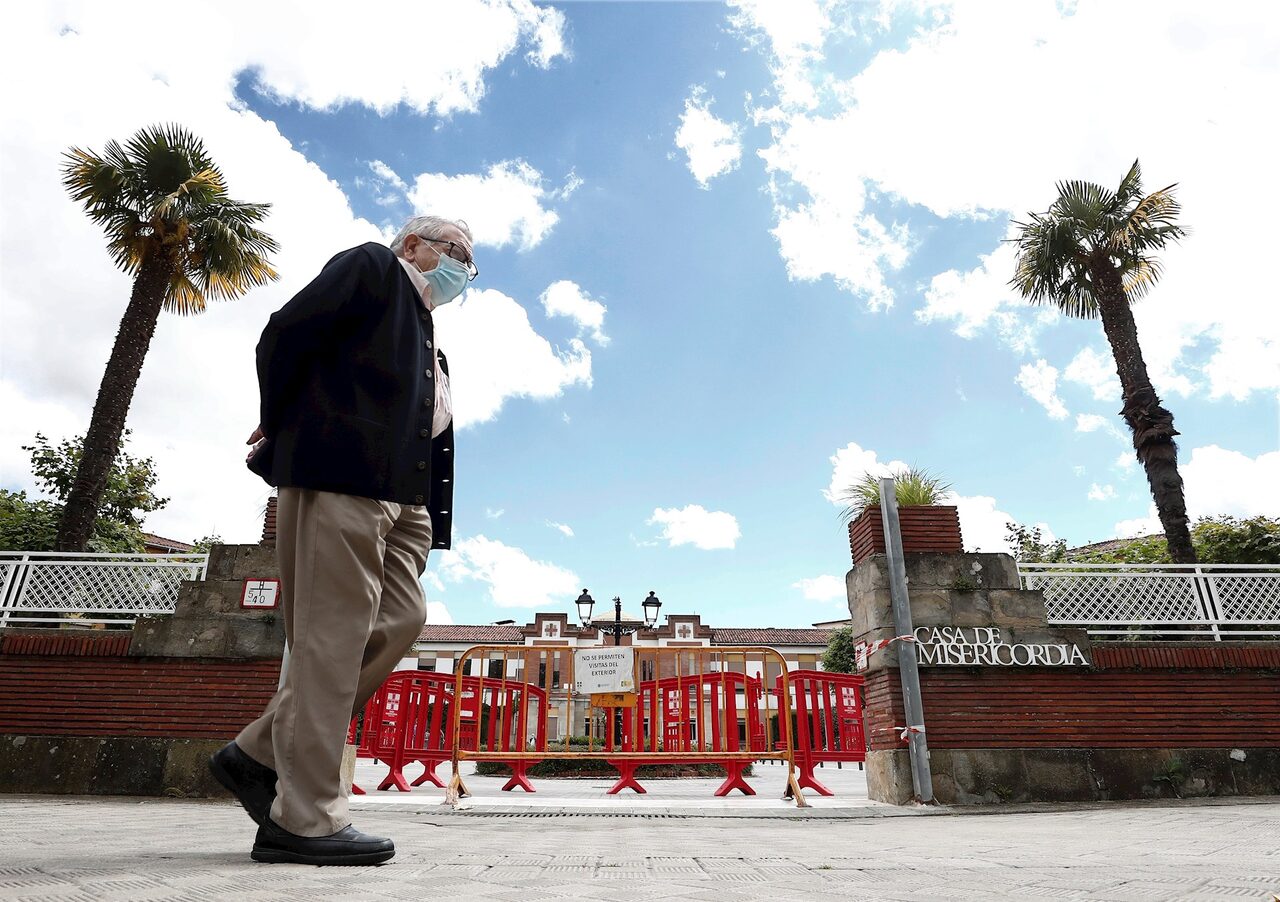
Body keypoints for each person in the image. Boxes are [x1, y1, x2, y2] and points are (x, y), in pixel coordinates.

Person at [210, 215, 475, 865]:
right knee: (332, 641)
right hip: (341, 472)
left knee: (402, 618)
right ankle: (305, 819)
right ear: (414, 246)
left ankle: (256, 754)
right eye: (455, 254)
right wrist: (280, 421)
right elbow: (286, 333)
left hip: (404, 502)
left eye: (471, 264)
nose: (463, 270)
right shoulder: (372, 267)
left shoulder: (430, 339)